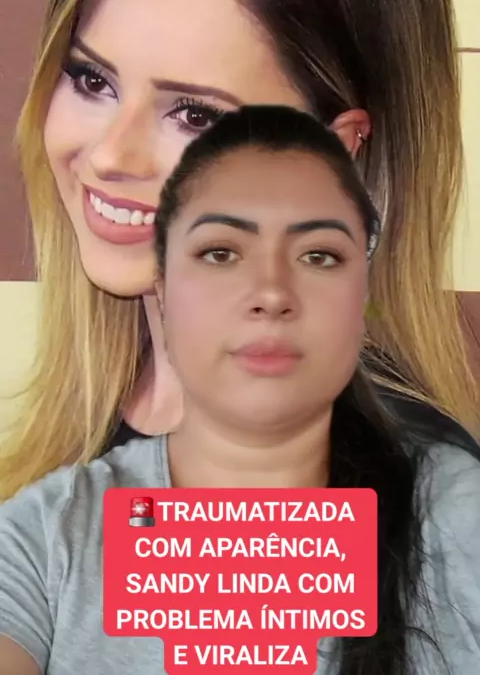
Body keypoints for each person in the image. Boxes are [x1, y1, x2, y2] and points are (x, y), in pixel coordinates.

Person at [1, 0, 478, 500]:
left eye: (196, 115)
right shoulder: (97, 424)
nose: (109, 155)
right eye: (92, 80)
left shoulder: (398, 501)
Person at [0, 106, 478, 675]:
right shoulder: (44, 537)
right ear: (164, 290)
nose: (271, 293)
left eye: (318, 255)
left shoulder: (456, 513)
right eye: (221, 253)